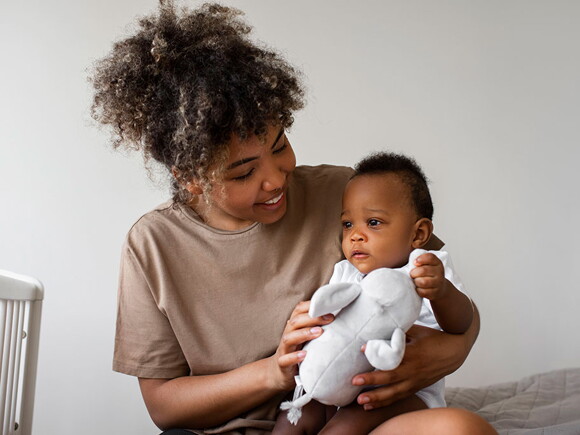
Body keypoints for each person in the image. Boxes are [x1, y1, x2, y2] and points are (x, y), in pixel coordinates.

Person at [90, 2, 492, 434]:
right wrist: (277, 370)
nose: (275, 179)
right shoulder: (152, 245)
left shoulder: (346, 196)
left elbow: (443, 292)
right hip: (241, 425)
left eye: (280, 145)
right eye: (244, 171)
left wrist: (455, 349)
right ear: (189, 176)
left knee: (462, 429)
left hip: (357, 416)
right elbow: (165, 408)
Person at [273, 152, 475, 435]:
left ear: (418, 234)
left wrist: (441, 292)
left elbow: (461, 325)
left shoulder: (426, 269)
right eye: (347, 224)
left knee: (347, 425)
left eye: (374, 223)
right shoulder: (345, 273)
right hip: (343, 383)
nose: (355, 235)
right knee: (295, 416)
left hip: (404, 392)